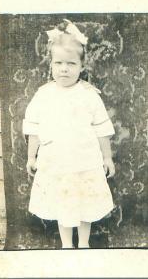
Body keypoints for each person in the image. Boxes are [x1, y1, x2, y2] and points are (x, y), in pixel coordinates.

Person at [23, 19, 116, 249]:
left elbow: (102, 129)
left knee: (85, 202)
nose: (64, 69)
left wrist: (107, 158)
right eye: (59, 63)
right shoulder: (43, 95)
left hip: (85, 162)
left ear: (82, 66)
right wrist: (31, 157)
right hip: (56, 163)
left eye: (71, 63)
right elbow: (34, 129)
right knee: (63, 201)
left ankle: (83, 243)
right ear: (51, 65)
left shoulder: (89, 95)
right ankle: (66, 245)